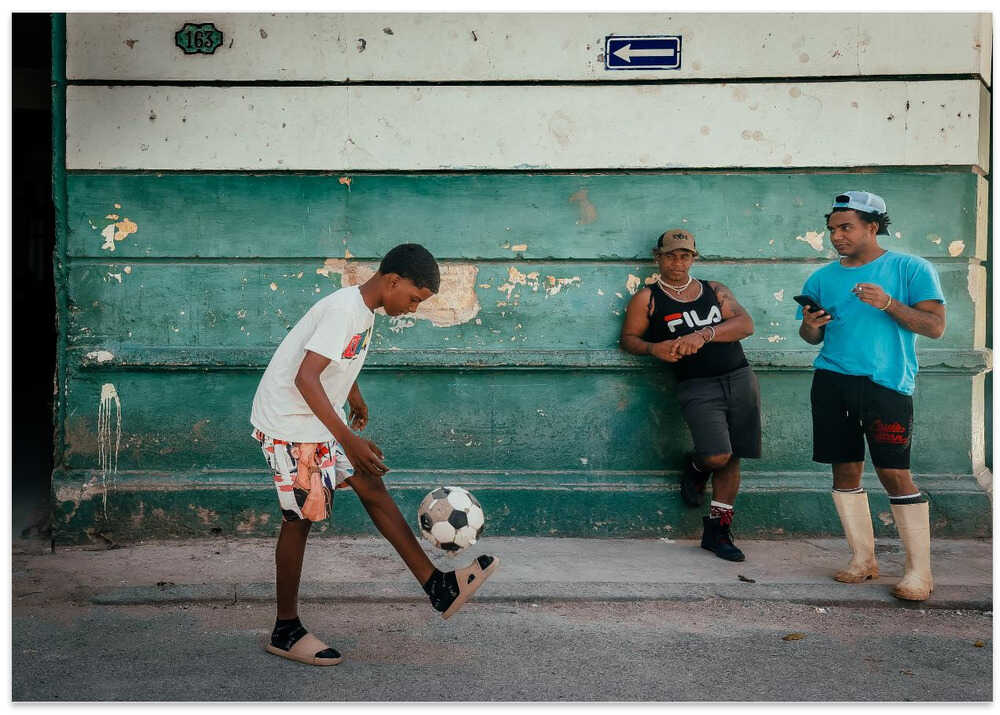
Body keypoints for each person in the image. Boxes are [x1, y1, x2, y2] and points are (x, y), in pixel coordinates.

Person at [250, 243, 499, 666]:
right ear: (392, 281)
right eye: (415, 299)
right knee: (299, 522)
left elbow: (334, 364)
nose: (414, 308)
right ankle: (285, 628)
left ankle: (437, 587)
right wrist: (348, 438)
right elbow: (306, 377)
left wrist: (355, 396)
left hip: (313, 420)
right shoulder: (344, 309)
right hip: (291, 424)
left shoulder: (363, 311)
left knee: (371, 484)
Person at [797, 191, 946, 601]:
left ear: (872, 227)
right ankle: (863, 560)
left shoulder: (910, 268)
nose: (836, 236)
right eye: (832, 229)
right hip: (831, 381)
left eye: (845, 227)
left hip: (886, 383)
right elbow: (811, 337)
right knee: (844, 471)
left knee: (894, 472)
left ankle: (919, 572)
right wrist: (812, 323)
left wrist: (888, 303)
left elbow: (934, 327)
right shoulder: (823, 278)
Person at [620, 229, 760, 562]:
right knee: (716, 456)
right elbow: (629, 339)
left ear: (694, 258)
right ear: (658, 257)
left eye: (685, 256)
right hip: (697, 385)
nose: (678, 262)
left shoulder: (714, 291)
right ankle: (697, 466)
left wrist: (704, 334)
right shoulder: (648, 298)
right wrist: (654, 348)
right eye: (670, 256)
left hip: (739, 377)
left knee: (734, 455)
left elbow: (745, 324)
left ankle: (718, 530)